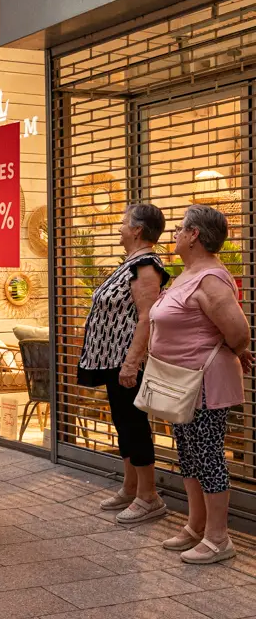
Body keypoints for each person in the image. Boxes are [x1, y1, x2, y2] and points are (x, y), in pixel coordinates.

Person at [151, 205, 250, 564]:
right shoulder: (189, 273)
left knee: (208, 457)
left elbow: (239, 332)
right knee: (189, 455)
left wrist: (235, 349)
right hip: (181, 383)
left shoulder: (211, 278)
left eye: (180, 228)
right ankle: (197, 526)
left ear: (194, 235)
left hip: (204, 382)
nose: (175, 233)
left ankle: (219, 538)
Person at [77, 205, 169, 524]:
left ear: (137, 230)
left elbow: (146, 317)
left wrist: (131, 362)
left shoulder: (146, 265)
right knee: (123, 423)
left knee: (134, 424)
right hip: (113, 359)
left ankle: (149, 496)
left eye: (123, 223)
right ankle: (131, 488)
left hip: (127, 361)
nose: (119, 228)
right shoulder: (132, 263)